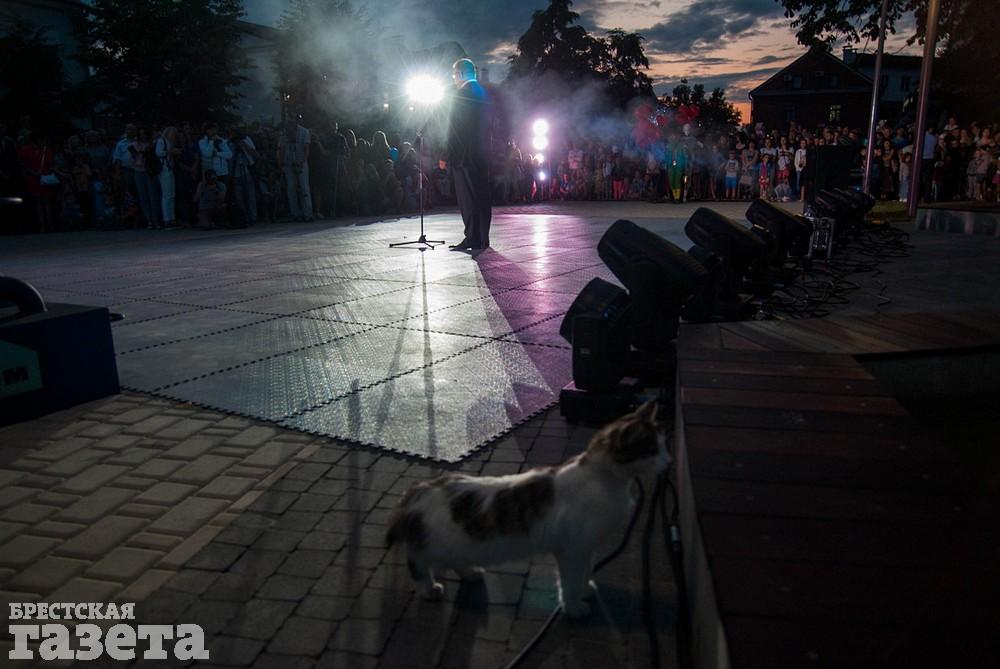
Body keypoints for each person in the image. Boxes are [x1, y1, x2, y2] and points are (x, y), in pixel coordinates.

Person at [447, 58, 493, 251]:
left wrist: (447, 154)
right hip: (482, 153)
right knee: (482, 195)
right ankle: (482, 238)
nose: (453, 78)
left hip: (464, 155)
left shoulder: (460, 94)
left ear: (461, 74)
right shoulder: (483, 93)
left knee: (468, 198)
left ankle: (472, 237)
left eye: (454, 74)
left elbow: (455, 128)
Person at [277, 119, 312, 221]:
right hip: (288, 163)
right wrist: (281, 162)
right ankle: (295, 213)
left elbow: (306, 148)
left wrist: (302, 162)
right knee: (291, 188)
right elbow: (281, 148)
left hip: (301, 162)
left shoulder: (304, 132)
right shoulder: (284, 133)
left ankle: (307, 213)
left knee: (304, 187)